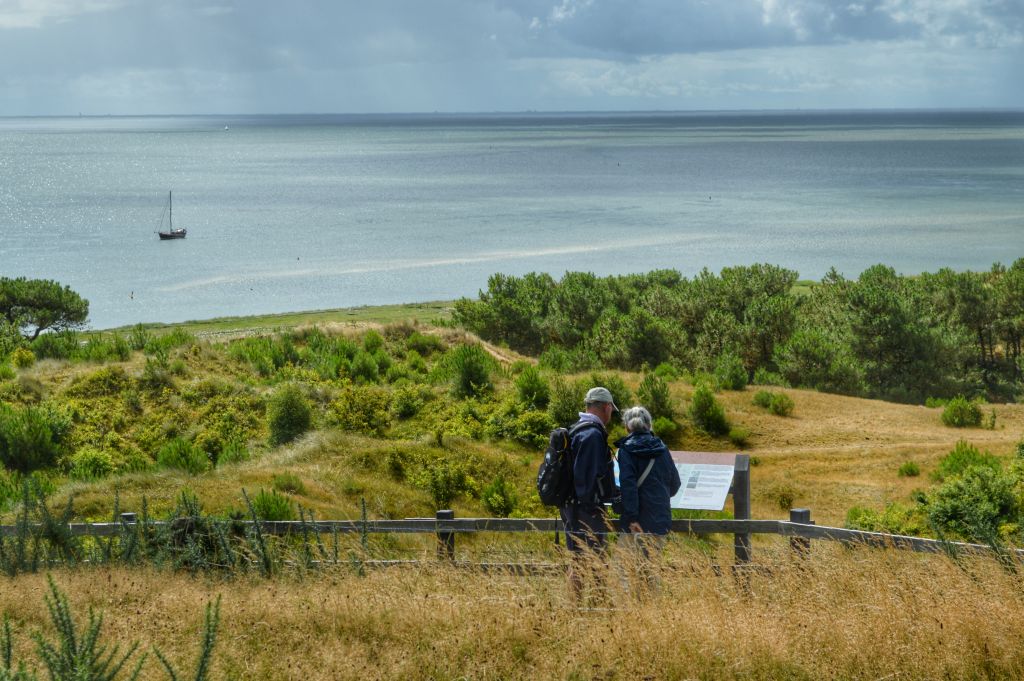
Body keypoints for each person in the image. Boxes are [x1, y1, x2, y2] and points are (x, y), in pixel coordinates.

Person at [615, 405, 681, 591]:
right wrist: (657, 499)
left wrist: (632, 517)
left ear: (627, 427)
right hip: (660, 520)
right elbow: (675, 484)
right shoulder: (662, 448)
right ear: (649, 425)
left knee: (625, 571)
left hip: (635, 523)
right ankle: (651, 613)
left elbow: (628, 486)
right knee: (651, 571)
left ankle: (633, 615)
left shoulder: (626, 450)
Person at [560, 386, 619, 597]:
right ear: (606, 407)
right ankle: (594, 608)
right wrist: (592, 509)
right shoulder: (593, 435)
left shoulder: (577, 429)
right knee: (592, 560)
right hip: (585, 511)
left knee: (577, 559)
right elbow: (585, 477)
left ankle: (576, 610)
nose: (611, 414)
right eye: (611, 409)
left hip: (572, 508)